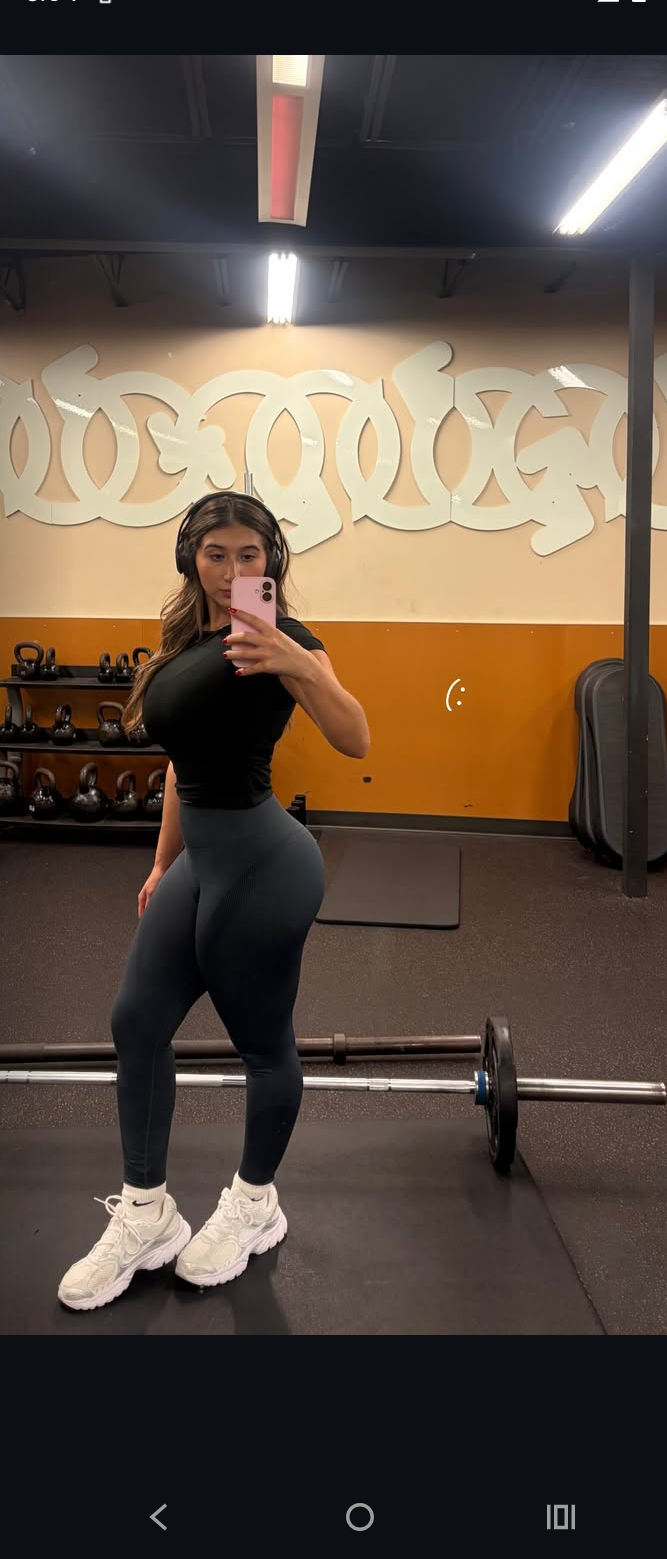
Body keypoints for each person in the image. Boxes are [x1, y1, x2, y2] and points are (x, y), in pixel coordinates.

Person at [58, 492, 370, 1311]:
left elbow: (356, 737)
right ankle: (146, 1214)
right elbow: (180, 765)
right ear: (190, 561)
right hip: (200, 862)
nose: (234, 571)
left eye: (250, 555)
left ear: (272, 561)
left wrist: (295, 661)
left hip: (267, 865)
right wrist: (164, 863)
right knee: (136, 1023)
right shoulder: (189, 639)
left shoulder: (287, 641)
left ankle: (255, 1202)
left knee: (262, 1047)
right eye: (216, 555)